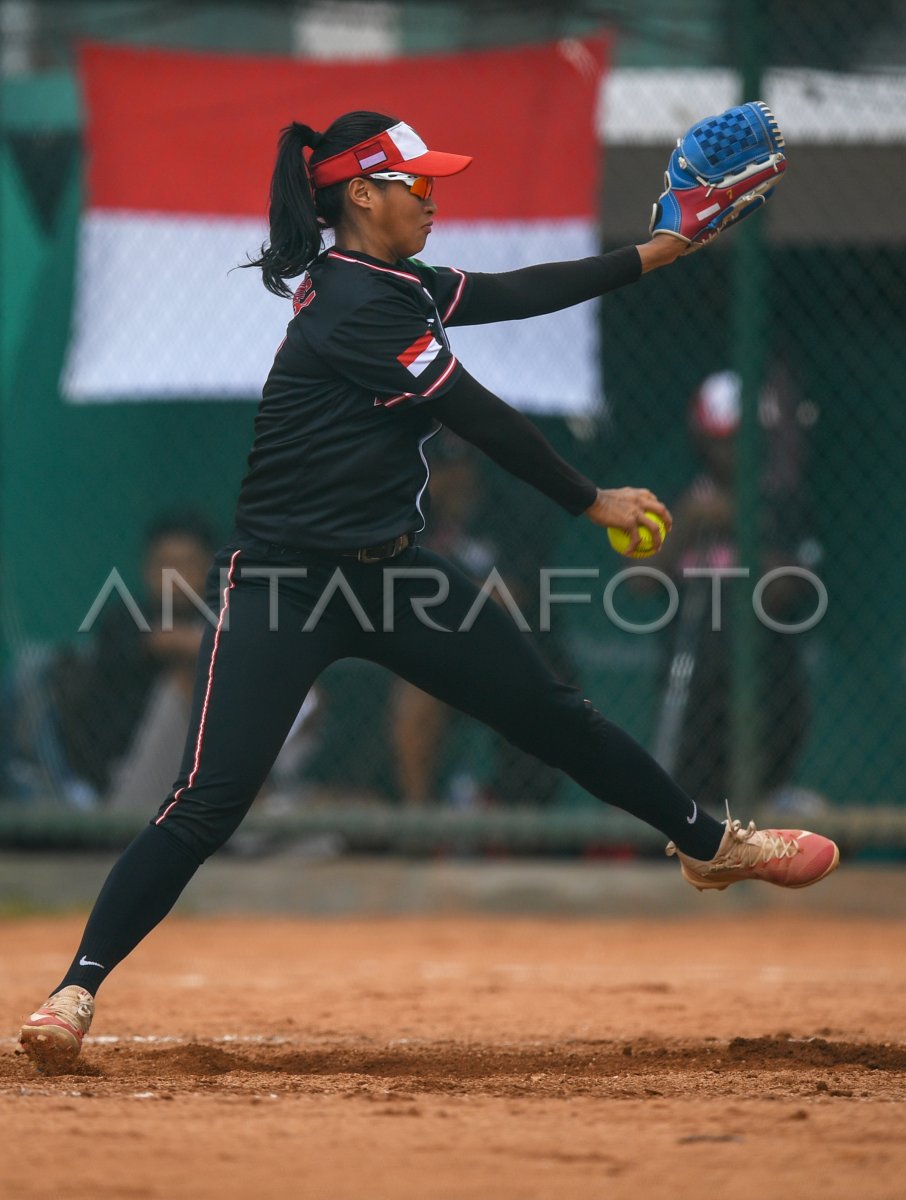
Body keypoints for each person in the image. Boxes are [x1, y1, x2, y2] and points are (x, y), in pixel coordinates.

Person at [18, 110, 839, 1070]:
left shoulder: (397, 283)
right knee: (208, 800)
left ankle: (710, 843)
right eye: (417, 182)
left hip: (394, 574)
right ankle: (75, 989)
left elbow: (519, 290)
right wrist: (594, 500)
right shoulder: (353, 306)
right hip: (284, 584)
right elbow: (478, 416)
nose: (433, 195)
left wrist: (658, 250)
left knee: (554, 717)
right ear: (361, 194)